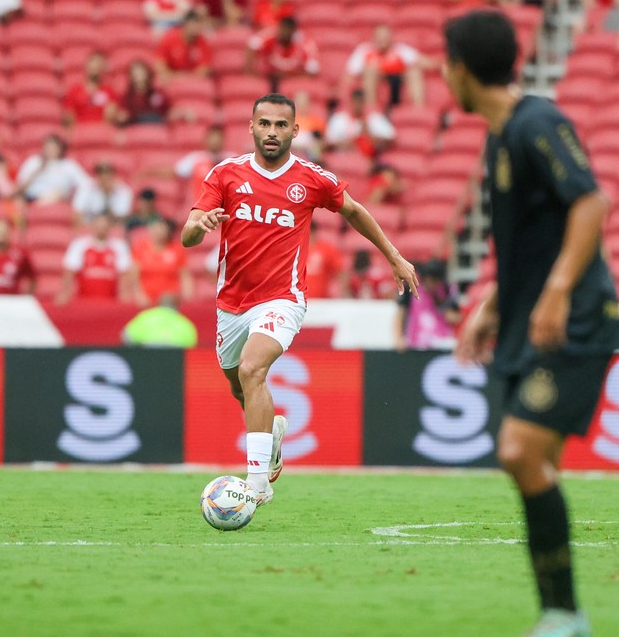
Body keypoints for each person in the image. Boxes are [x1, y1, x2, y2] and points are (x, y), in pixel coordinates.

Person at [444, 11, 619, 637]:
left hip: (572, 323)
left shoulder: (536, 123)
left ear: (460, 69)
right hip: (528, 323)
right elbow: (530, 240)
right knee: (531, 462)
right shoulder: (499, 137)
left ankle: (564, 615)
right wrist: (493, 305)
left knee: (519, 450)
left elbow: (591, 201)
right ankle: (562, 615)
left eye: (447, 66)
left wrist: (555, 292)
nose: (445, 77)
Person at [181, 93, 418, 507]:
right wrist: (200, 225)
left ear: (295, 130)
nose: (271, 132)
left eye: (280, 125)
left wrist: (394, 257)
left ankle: (256, 487)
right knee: (240, 387)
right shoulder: (225, 175)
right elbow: (187, 234)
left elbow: (355, 211)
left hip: (283, 298)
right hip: (230, 304)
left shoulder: (311, 179)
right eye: (264, 124)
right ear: (251, 127)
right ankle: (270, 438)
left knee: (254, 369)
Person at [56, 214, 137, 305]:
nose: (101, 229)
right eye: (99, 226)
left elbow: (125, 273)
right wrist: (64, 294)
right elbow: (69, 271)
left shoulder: (119, 246)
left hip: (110, 301)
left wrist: (125, 296)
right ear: (93, 226)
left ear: (109, 227)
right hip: (84, 300)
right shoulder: (80, 245)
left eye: (104, 227)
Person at [344, 24, 426, 108]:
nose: (383, 39)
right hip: (376, 78)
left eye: (385, 36)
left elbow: (422, 61)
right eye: (380, 36)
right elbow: (350, 73)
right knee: (370, 69)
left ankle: (418, 108)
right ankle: (371, 108)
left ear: (391, 37)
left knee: (414, 71)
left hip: (399, 77)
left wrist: (438, 63)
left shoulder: (400, 49)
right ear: (373, 38)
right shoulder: (364, 50)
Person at [395, 259, 461, 351]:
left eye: (434, 281)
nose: (430, 285)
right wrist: (399, 339)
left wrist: (441, 305)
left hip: (441, 342)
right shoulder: (411, 289)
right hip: (415, 342)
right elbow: (400, 315)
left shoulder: (447, 290)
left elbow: (455, 317)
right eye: (427, 281)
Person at [246, 16, 320, 92]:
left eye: (287, 30)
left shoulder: (305, 44)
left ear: (294, 31)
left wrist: (291, 77)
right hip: (269, 78)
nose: (283, 32)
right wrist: (251, 73)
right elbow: (252, 46)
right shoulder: (270, 36)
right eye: (282, 29)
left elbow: (312, 71)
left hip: (291, 80)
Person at [13, 134, 90, 206]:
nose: (50, 150)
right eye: (47, 147)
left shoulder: (68, 165)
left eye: (53, 147)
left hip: (56, 197)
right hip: (29, 197)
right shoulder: (33, 161)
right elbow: (19, 187)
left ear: (60, 149)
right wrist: (36, 172)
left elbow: (84, 182)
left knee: (58, 193)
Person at [132, 216, 193, 307]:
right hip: (146, 299)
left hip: (169, 300)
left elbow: (185, 275)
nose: (159, 231)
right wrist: (139, 295)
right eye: (156, 228)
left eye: (162, 228)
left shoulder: (177, 249)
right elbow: (134, 274)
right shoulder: (140, 247)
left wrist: (187, 296)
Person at [325, 88, 396, 157]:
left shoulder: (375, 118)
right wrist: (348, 144)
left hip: (369, 158)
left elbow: (391, 139)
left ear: (365, 103)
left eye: (360, 102)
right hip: (343, 156)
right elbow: (328, 142)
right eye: (356, 102)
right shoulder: (339, 118)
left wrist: (369, 135)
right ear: (351, 102)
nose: (358, 105)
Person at [175, 124, 234, 202]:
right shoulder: (195, 158)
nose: (215, 141)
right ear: (206, 139)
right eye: (212, 137)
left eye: (218, 137)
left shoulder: (232, 159)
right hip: (200, 204)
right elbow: (176, 172)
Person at [61, 52, 118, 127]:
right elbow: (69, 115)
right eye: (93, 64)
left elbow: (111, 114)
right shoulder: (74, 90)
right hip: (80, 131)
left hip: (102, 132)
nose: (95, 67)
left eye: (99, 65)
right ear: (86, 65)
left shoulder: (108, 91)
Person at [123, 294, 198, 348]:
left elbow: (127, 337)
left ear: (158, 304)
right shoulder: (185, 323)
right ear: (177, 307)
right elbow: (191, 347)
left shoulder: (145, 317)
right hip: (175, 362)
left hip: (147, 358)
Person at [154, 10, 212, 80]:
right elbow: (159, 63)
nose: (196, 28)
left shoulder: (203, 42)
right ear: (185, 24)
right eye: (193, 23)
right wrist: (173, 76)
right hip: (172, 78)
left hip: (192, 81)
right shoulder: (170, 38)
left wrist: (186, 77)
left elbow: (204, 69)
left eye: (199, 24)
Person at [116, 59, 175, 126]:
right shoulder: (127, 97)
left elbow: (166, 110)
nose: (139, 75)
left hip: (155, 123)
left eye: (141, 72)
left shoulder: (156, 94)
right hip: (135, 124)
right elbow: (123, 114)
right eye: (135, 73)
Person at [73, 161, 133, 225]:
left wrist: (108, 195)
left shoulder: (123, 190)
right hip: (90, 225)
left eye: (108, 173)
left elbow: (122, 219)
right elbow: (77, 213)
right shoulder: (87, 187)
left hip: (113, 227)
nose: (104, 177)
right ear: (97, 175)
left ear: (113, 174)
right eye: (101, 173)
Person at [306, 223, 345, 298]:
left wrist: (340, 292)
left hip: (321, 300)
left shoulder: (326, 249)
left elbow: (341, 272)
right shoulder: (294, 249)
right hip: (297, 300)